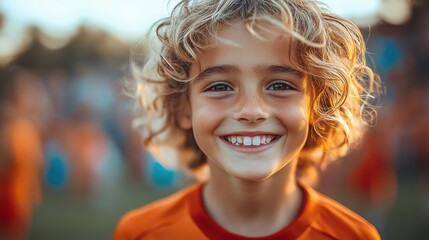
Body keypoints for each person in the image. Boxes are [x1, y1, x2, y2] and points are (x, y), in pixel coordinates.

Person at [114, 0, 381, 239]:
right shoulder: (140, 233)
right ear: (184, 108)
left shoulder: (354, 235)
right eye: (220, 87)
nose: (251, 111)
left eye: (279, 85)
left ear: (317, 104)